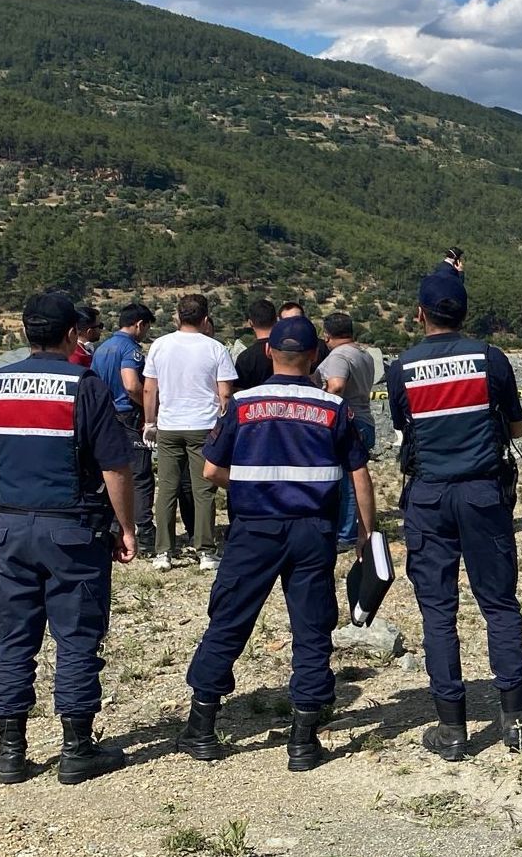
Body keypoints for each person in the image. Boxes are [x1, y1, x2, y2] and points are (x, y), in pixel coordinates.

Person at [177, 315, 375, 772]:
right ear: (314, 358)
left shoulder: (243, 405)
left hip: (254, 529)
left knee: (228, 620)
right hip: (312, 531)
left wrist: (252, 484)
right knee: (311, 628)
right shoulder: (332, 409)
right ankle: (303, 741)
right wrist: (367, 532)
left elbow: (210, 471)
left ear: (269, 353)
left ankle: (202, 728)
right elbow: (358, 474)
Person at [0, 292, 136, 786]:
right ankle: (78, 749)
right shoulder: (86, 386)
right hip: (72, 530)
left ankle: (11, 752)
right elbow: (114, 466)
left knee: (13, 637)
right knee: (77, 637)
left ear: (25, 333)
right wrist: (126, 526)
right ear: (71, 333)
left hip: (12, 527)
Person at [386, 274, 522, 761]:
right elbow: (514, 424)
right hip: (483, 494)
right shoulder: (490, 358)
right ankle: (515, 719)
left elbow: (402, 427)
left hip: (428, 497)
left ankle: (452, 728)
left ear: (420, 313)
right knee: (499, 603)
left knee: (438, 611)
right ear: (465, 313)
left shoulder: (401, 368)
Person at [143, 294, 237, 572]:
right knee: (204, 489)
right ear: (205, 319)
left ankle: (163, 551)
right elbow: (226, 394)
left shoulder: (160, 346)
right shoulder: (216, 348)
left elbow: (150, 388)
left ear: (177, 316)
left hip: (170, 425)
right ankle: (206, 550)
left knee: (167, 489)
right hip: (204, 425)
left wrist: (150, 421)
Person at [91, 303, 157, 555]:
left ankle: (112, 527)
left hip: (105, 416)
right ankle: (145, 533)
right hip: (128, 415)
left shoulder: (102, 349)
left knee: (109, 473)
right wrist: (151, 407)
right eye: (146, 327)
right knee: (140, 476)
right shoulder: (131, 350)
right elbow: (131, 384)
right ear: (139, 324)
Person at [316, 313, 376, 550]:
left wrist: (325, 399)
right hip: (365, 418)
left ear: (326, 335)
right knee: (354, 478)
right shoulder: (364, 354)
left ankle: (346, 534)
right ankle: (351, 529)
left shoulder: (339, 355)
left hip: (349, 422)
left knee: (348, 482)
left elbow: (337, 385)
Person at [234, 298, 277, 391]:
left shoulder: (245, 358)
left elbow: (238, 390)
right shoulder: (287, 351)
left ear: (250, 323)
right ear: (276, 319)